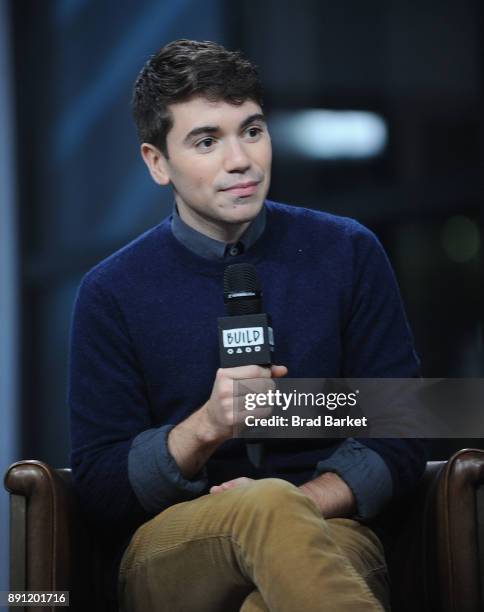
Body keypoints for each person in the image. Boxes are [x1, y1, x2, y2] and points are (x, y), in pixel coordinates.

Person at [69, 39, 427, 612]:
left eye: (252, 131)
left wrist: (298, 500)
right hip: (175, 547)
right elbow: (100, 486)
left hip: (330, 529)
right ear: (156, 162)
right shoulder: (112, 291)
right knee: (264, 508)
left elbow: (403, 430)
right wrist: (207, 426)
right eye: (207, 141)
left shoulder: (347, 252)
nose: (241, 160)